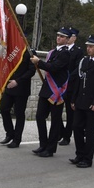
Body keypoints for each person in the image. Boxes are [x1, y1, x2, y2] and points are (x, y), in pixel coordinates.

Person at [69, 35, 94, 168]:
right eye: (87, 46)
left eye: (91, 47)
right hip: (81, 101)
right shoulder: (84, 61)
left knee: (90, 132)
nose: (88, 49)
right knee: (77, 127)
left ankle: (87, 159)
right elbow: (78, 82)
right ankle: (79, 154)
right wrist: (73, 99)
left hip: (92, 103)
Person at [30, 28, 71, 158]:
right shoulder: (53, 52)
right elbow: (48, 65)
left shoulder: (65, 54)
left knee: (55, 121)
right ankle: (43, 144)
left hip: (57, 91)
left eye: (62, 36)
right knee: (39, 116)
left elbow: (54, 67)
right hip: (47, 90)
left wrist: (38, 62)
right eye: (58, 35)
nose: (59, 38)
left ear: (68, 40)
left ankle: (51, 148)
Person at [0, 48, 36, 149]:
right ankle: (10, 133)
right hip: (9, 86)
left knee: (19, 113)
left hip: (21, 88)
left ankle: (17, 139)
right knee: (3, 108)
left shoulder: (29, 51)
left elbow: (32, 71)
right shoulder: (12, 50)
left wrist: (18, 81)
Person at [59, 27, 83, 146]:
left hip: (70, 85)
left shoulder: (78, 51)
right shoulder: (60, 49)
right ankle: (60, 132)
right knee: (56, 111)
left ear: (74, 38)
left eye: (71, 36)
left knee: (70, 113)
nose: (68, 38)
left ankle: (66, 136)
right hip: (58, 86)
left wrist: (67, 79)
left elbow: (77, 68)